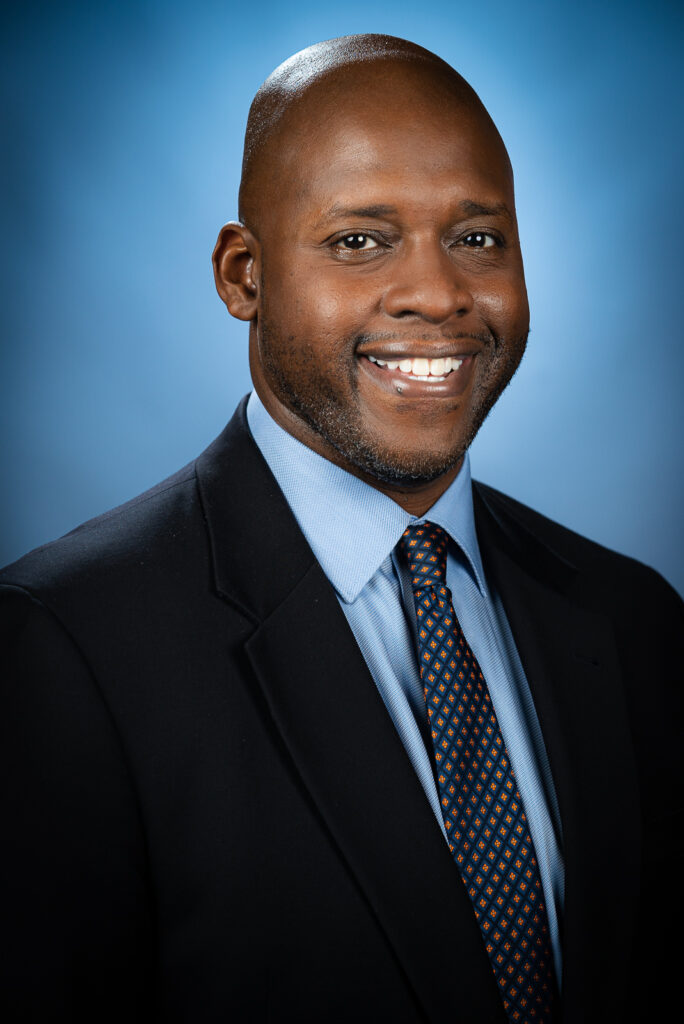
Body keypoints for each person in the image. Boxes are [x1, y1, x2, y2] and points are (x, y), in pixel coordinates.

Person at [1, 33, 681, 1024]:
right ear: (244, 275)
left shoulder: (633, 620)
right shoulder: (61, 649)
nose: (438, 294)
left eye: (479, 238)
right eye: (360, 240)